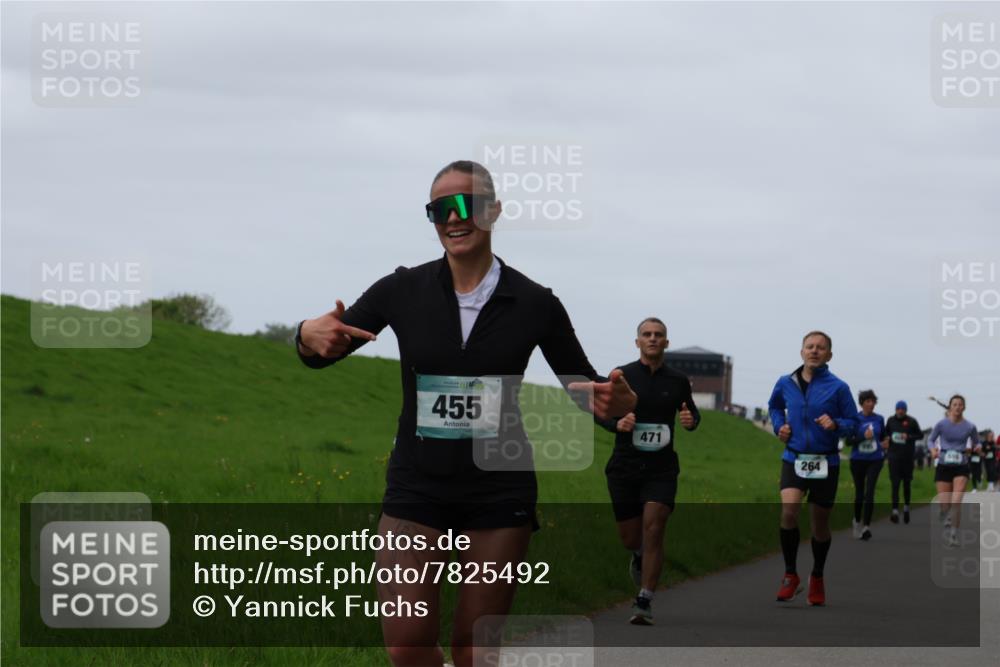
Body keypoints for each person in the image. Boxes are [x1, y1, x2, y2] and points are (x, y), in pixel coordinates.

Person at [295, 160, 637, 667]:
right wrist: (305, 335)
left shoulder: (535, 302)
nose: (453, 219)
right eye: (439, 209)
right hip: (417, 485)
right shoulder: (400, 290)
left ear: (494, 211)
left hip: (498, 489)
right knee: (407, 643)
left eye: (466, 205)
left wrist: (615, 407)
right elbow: (326, 348)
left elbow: (583, 386)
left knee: (474, 648)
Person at [597, 317, 701, 625]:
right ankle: (639, 556)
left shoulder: (678, 380)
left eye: (659, 335)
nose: (653, 339)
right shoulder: (622, 375)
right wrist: (617, 424)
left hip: (661, 468)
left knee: (655, 527)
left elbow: (690, 411)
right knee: (631, 537)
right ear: (637, 342)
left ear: (667, 342)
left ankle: (644, 600)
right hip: (625, 467)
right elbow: (601, 412)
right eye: (647, 335)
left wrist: (691, 420)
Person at [768, 331, 858, 607]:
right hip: (794, 457)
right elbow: (774, 406)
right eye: (810, 347)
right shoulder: (786, 382)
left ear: (829, 355)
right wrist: (778, 426)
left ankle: (817, 576)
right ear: (801, 352)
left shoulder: (838, 387)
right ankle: (790, 574)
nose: (814, 351)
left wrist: (836, 425)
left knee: (820, 525)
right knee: (789, 511)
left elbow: (853, 422)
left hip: (825, 461)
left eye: (821, 348)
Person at [928, 395, 979, 546]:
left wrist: (977, 447)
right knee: (945, 504)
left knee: (956, 501)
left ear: (964, 407)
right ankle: (945, 513)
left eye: (960, 404)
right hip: (944, 464)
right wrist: (932, 451)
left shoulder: (970, 426)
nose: (957, 407)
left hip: (961, 465)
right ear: (950, 407)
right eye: (954, 404)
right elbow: (930, 440)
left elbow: (977, 442)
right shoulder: (941, 424)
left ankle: (954, 535)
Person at [846, 390, 886, 541]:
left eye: (873, 401)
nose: (871, 404)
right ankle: (856, 521)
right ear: (862, 403)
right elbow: (848, 441)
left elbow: (882, 437)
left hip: (875, 459)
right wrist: (863, 436)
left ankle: (866, 526)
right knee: (859, 494)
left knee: (870, 492)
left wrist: (885, 442)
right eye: (868, 401)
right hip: (857, 460)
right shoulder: (854, 419)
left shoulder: (879, 419)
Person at [884, 400, 923, 524]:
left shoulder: (912, 421)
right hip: (893, 457)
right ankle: (895, 510)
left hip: (907, 458)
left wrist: (909, 437)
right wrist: (887, 439)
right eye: (898, 409)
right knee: (895, 484)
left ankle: (906, 508)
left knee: (906, 484)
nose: (900, 411)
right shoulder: (890, 421)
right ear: (895, 410)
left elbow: (920, 435)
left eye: (902, 409)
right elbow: (885, 434)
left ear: (906, 410)